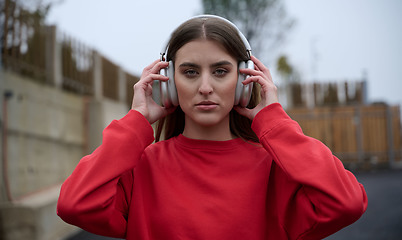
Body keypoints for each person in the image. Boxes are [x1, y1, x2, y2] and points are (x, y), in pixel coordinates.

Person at [57, 15, 367, 240]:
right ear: (170, 85)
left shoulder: (274, 171)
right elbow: (74, 204)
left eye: (220, 71)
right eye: (190, 72)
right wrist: (137, 121)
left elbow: (346, 203)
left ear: (245, 81)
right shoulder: (141, 168)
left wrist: (273, 120)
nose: (205, 87)